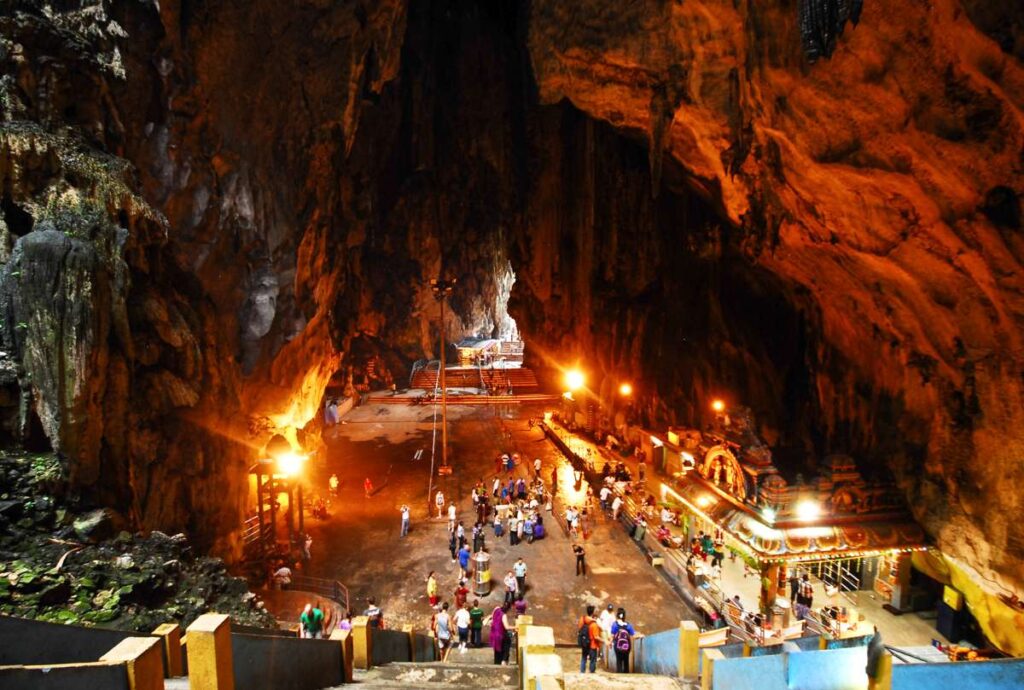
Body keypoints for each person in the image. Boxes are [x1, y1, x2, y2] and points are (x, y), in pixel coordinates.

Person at [577, 605, 602, 673]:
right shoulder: (594, 622)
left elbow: (579, 628)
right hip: (591, 642)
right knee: (593, 658)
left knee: (584, 657)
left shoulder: (583, 618)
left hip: (584, 641)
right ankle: (592, 671)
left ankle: (582, 671)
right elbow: (601, 628)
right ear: (593, 612)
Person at [611, 608, 636, 673]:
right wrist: (631, 647)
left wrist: (610, 643)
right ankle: (626, 673)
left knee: (618, 661)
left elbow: (612, 635)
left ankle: (619, 673)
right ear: (624, 615)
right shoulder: (628, 625)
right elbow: (633, 635)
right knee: (626, 661)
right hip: (627, 647)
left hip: (617, 646)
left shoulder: (615, 624)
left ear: (617, 615)